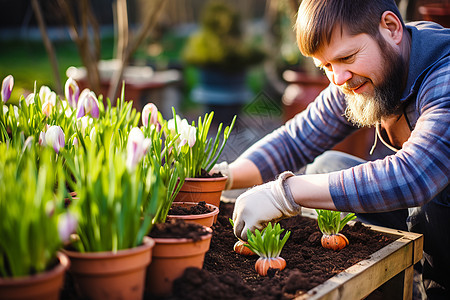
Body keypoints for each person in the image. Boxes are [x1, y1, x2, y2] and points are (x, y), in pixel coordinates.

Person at [213, 0, 449, 298]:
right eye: (325, 66)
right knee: (327, 166)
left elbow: (415, 175)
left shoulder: (445, 75)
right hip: (427, 216)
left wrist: (285, 192)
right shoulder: (367, 69)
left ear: (390, 28)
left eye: (347, 57)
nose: (338, 79)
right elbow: (297, 139)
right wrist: (222, 176)